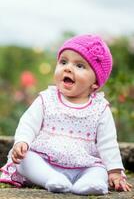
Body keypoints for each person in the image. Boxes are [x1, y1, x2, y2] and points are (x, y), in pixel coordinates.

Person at [0, 35, 132, 195]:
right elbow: (28, 123)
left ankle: (90, 183)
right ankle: (52, 179)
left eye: (80, 66)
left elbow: (108, 143)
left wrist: (115, 171)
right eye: (63, 62)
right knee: (25, 160)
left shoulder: (100, 109)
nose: (68, 68)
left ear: (95, 82)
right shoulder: (47, 99)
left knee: (99, 170)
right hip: (45, 161)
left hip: (83, 165)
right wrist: (23, 142)